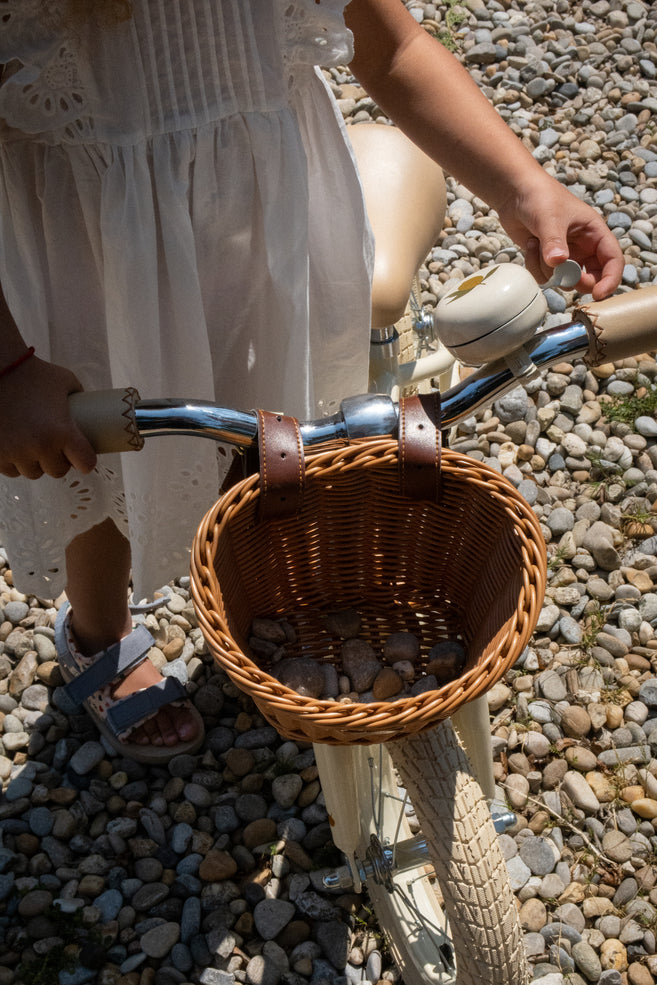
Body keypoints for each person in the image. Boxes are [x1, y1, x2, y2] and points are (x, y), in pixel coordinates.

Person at [0, 0, 623, 762]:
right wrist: (8, 366)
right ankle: (97, 631)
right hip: (91, 266)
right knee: (88, 459)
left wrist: (525, 187)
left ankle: (255, 593)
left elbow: (392, 50)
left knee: (267, 442)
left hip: (267, 255)